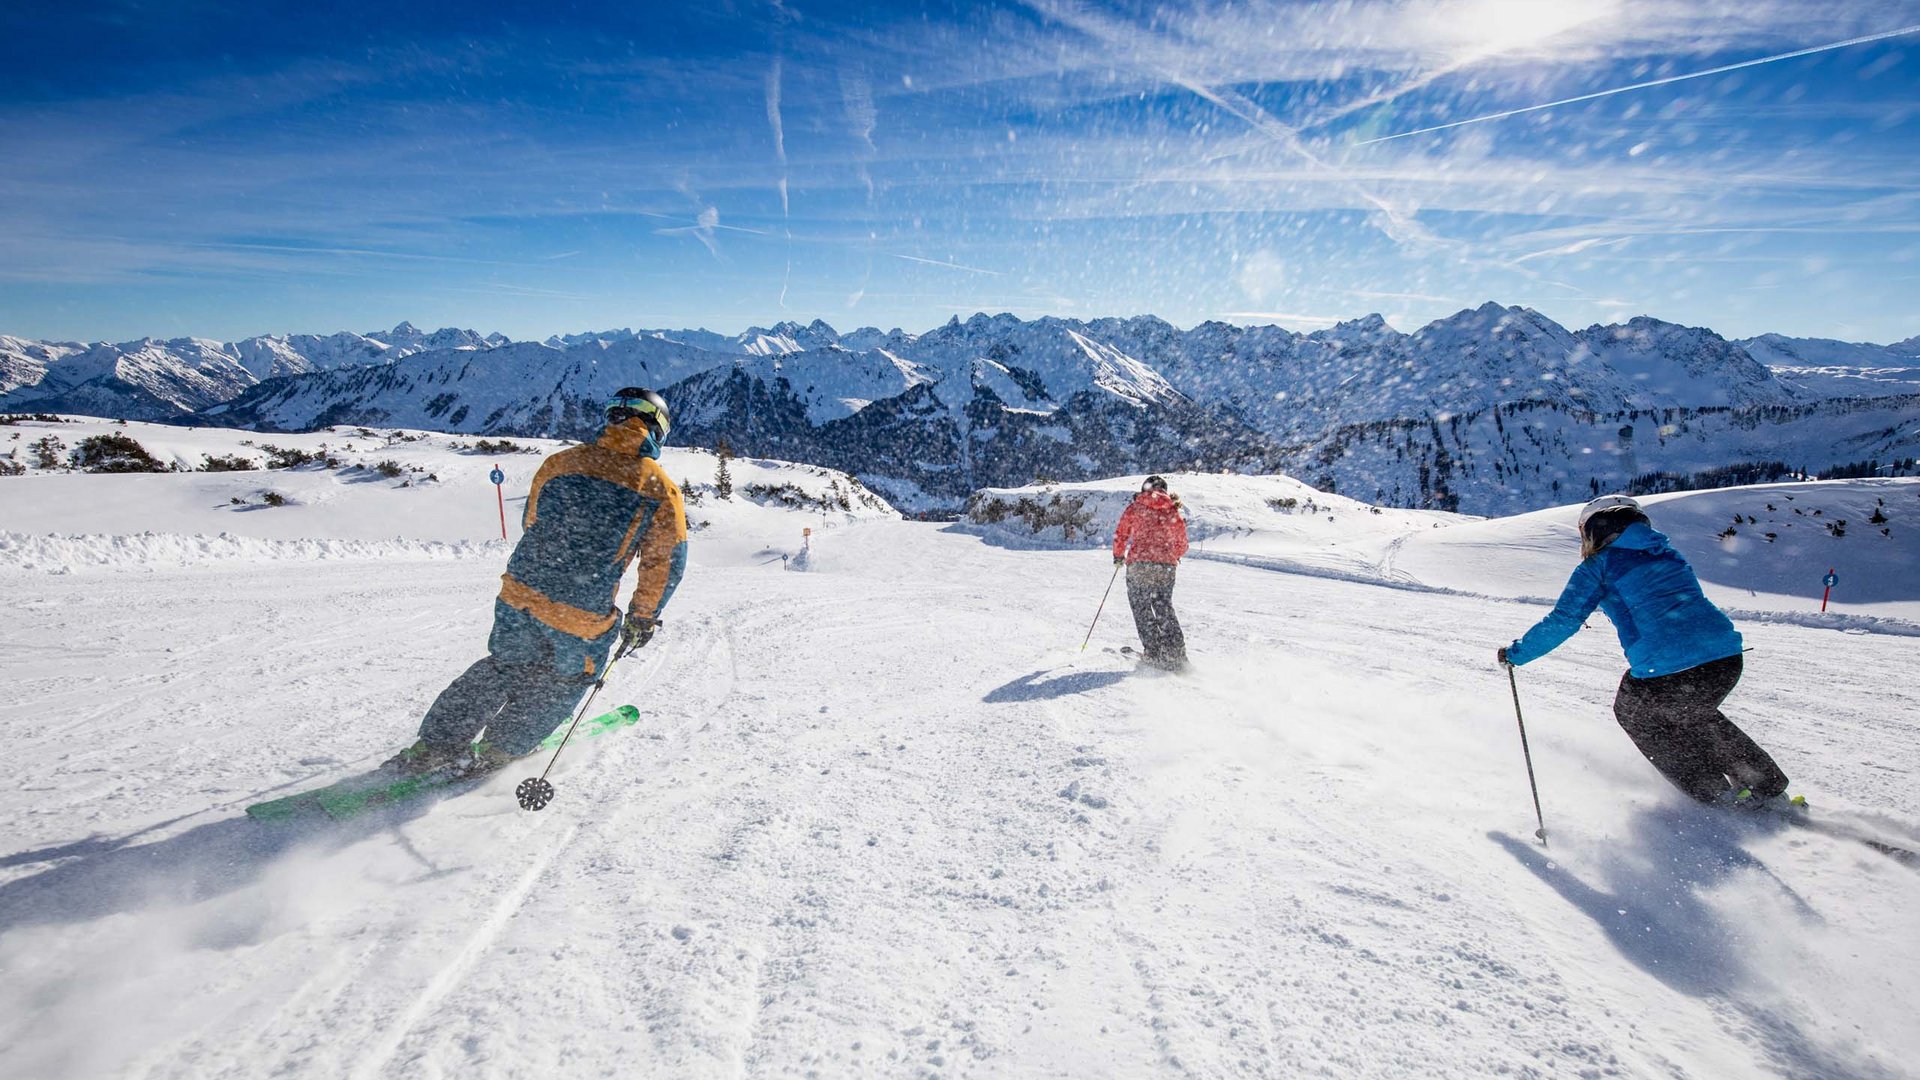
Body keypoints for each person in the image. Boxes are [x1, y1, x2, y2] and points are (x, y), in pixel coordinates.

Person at [385, 388, 689, 775]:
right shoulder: (659, 488)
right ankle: (498, 752)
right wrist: (642, 616)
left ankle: (435, 746)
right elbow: (664, 563)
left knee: (504, 666)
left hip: (519, 593)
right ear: (658, 429)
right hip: (581, 612)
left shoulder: (561, 462)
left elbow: (532, 520)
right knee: (564, 680)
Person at [1497, 494, 1789, 806]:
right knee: (1690, 713)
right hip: (1724, 659)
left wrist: (1517, 654)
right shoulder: (1665, 552)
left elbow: (1564, 620)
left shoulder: (1599, 566)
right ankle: (1764, 782)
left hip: (1666, 667)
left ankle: (1712, 791)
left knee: (1636, 712)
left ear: (1594, 530)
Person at [1112, 474, 1190, 670]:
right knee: (1163, 605)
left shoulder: (1136, 506)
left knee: (1141, 606)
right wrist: (1172, 554)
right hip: (1165, 565)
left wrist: (1118, 556)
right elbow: (1182, 542)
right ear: (1164, 490)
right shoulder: (1172, 509)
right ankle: (1176, 654)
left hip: (1139, 563)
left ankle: (1154, 653)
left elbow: (1121, 533)